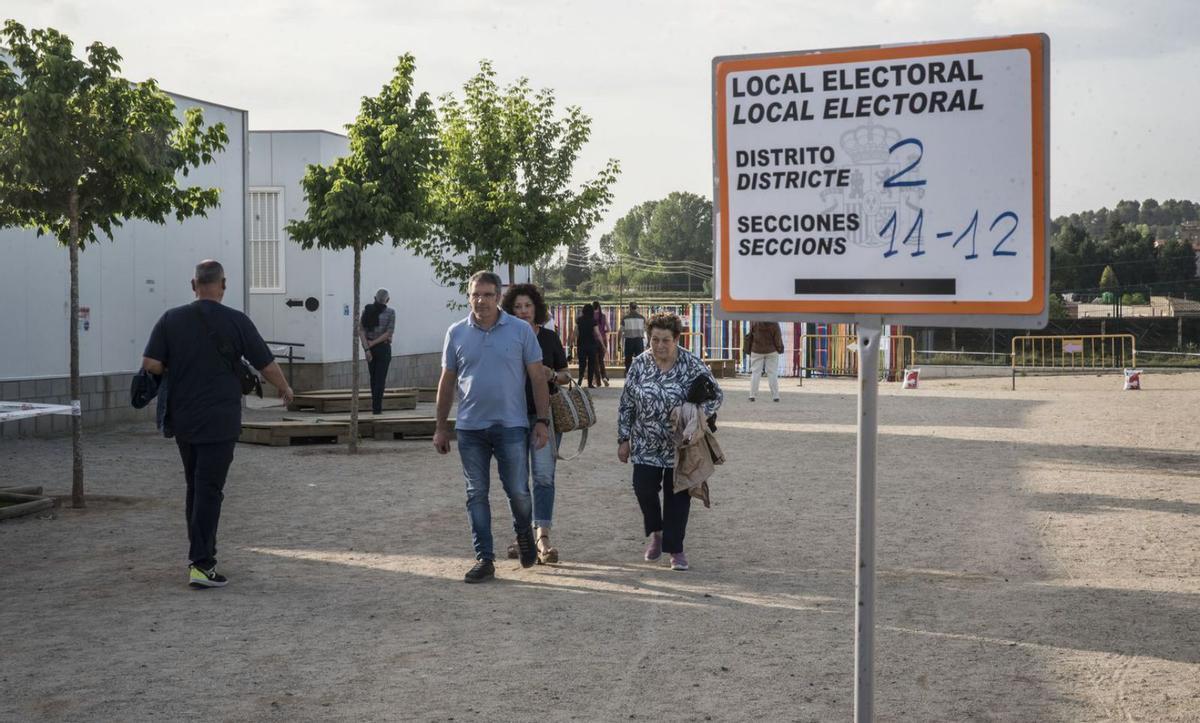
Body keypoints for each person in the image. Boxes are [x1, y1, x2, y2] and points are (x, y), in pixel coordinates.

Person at [142, 260, 295, 589]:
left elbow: (151, 363)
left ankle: (199, 555)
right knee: (209, 489)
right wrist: (284, 387)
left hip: (183, 417)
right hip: (220, 419)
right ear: (223, 284)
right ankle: (201, 564)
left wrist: (177, 368)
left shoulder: (171, 319)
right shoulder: (237, 321)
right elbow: (265, 363)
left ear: (193, 284)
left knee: (195, 487)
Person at [433, 271, 552, 584]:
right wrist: (441, 427)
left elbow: (537, 378)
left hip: (511, 425)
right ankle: (484, 558)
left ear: (498, 297)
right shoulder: (456, 333)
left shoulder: (520, 330)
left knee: (518, 491)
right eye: (475, 294)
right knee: (476, 494)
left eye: (487, 295)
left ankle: (524, 533)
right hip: (470, 429)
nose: (481, 301)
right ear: (468, 296)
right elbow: (447, 381)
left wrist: (542, 421)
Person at [617, 312, 722, 571]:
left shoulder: (691, 364)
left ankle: (676, 549)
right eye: (655, 339)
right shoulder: (639, 364)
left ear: (676, 339)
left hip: (680, 445)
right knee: (643, 488)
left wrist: (695, 416)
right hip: (645, 441)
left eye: (665, 340)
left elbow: (716, 395)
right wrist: (624, 438)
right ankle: (657, 532)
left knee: (678, 496)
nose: (659, 345)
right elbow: (627, 403)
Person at [501, 283, 569, 564]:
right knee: (517, 481)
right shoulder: (505, 338)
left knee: (543, 477)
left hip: (545, 417)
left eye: (527, 306)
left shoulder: (549, 338)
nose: (523, 311)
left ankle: (542, 537)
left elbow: (566, 375)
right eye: (517, 306)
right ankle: (522, 536)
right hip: (513, 417)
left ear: (536, 308)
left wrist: (551, 374)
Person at [360, 288, 395, 415]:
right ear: (388, 300)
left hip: (370, 348)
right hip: (383, 348)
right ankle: (377, 408)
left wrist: (367, 349)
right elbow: (389, 333)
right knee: (380, 379)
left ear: (374, 298)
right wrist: (374, 343)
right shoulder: (391, 312)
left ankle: (375, 406)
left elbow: (361, 331)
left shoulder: (366, 311)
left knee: (373, 379)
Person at [745, 321, 784, 402]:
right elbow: (777, 337)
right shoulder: (774, 323)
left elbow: (751, 336)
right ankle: (775, 396)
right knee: (772, 373)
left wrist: (749, 348)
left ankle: (752, 395)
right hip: (771, 350)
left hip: (756, 350)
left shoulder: (754, 322)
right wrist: (779, 348)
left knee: (755, 373)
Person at [572, 304, 600, 388]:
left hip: (581, 345)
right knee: (591, 364)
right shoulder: (593, 321)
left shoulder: (579, 320)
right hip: (592, 345)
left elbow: (575, 332)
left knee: (582, 364)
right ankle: (590, 383)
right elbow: (597, 333)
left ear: (583, 311)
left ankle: (580, 380)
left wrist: (571, 343)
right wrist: (602, 345)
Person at [620, 301, 646, 372]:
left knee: (628, 359)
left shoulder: (625, 318)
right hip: (639, 341)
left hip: (629, 341)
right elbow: (647, 330)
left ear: (630, 308)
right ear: (636, 308)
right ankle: (639, 373)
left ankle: (629, 373)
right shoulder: (642, 318)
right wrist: (649, 341)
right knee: (640, 359)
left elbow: (620, 331)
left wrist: (619, 342)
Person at [592, 300, 611, 387]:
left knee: (595, 362)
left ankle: (598, 380)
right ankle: (604, 377)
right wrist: (604, 331)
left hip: (593, 340)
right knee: (601, 361)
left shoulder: (591, 316)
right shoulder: (603, 316)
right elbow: (609, 329)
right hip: (603, 340)